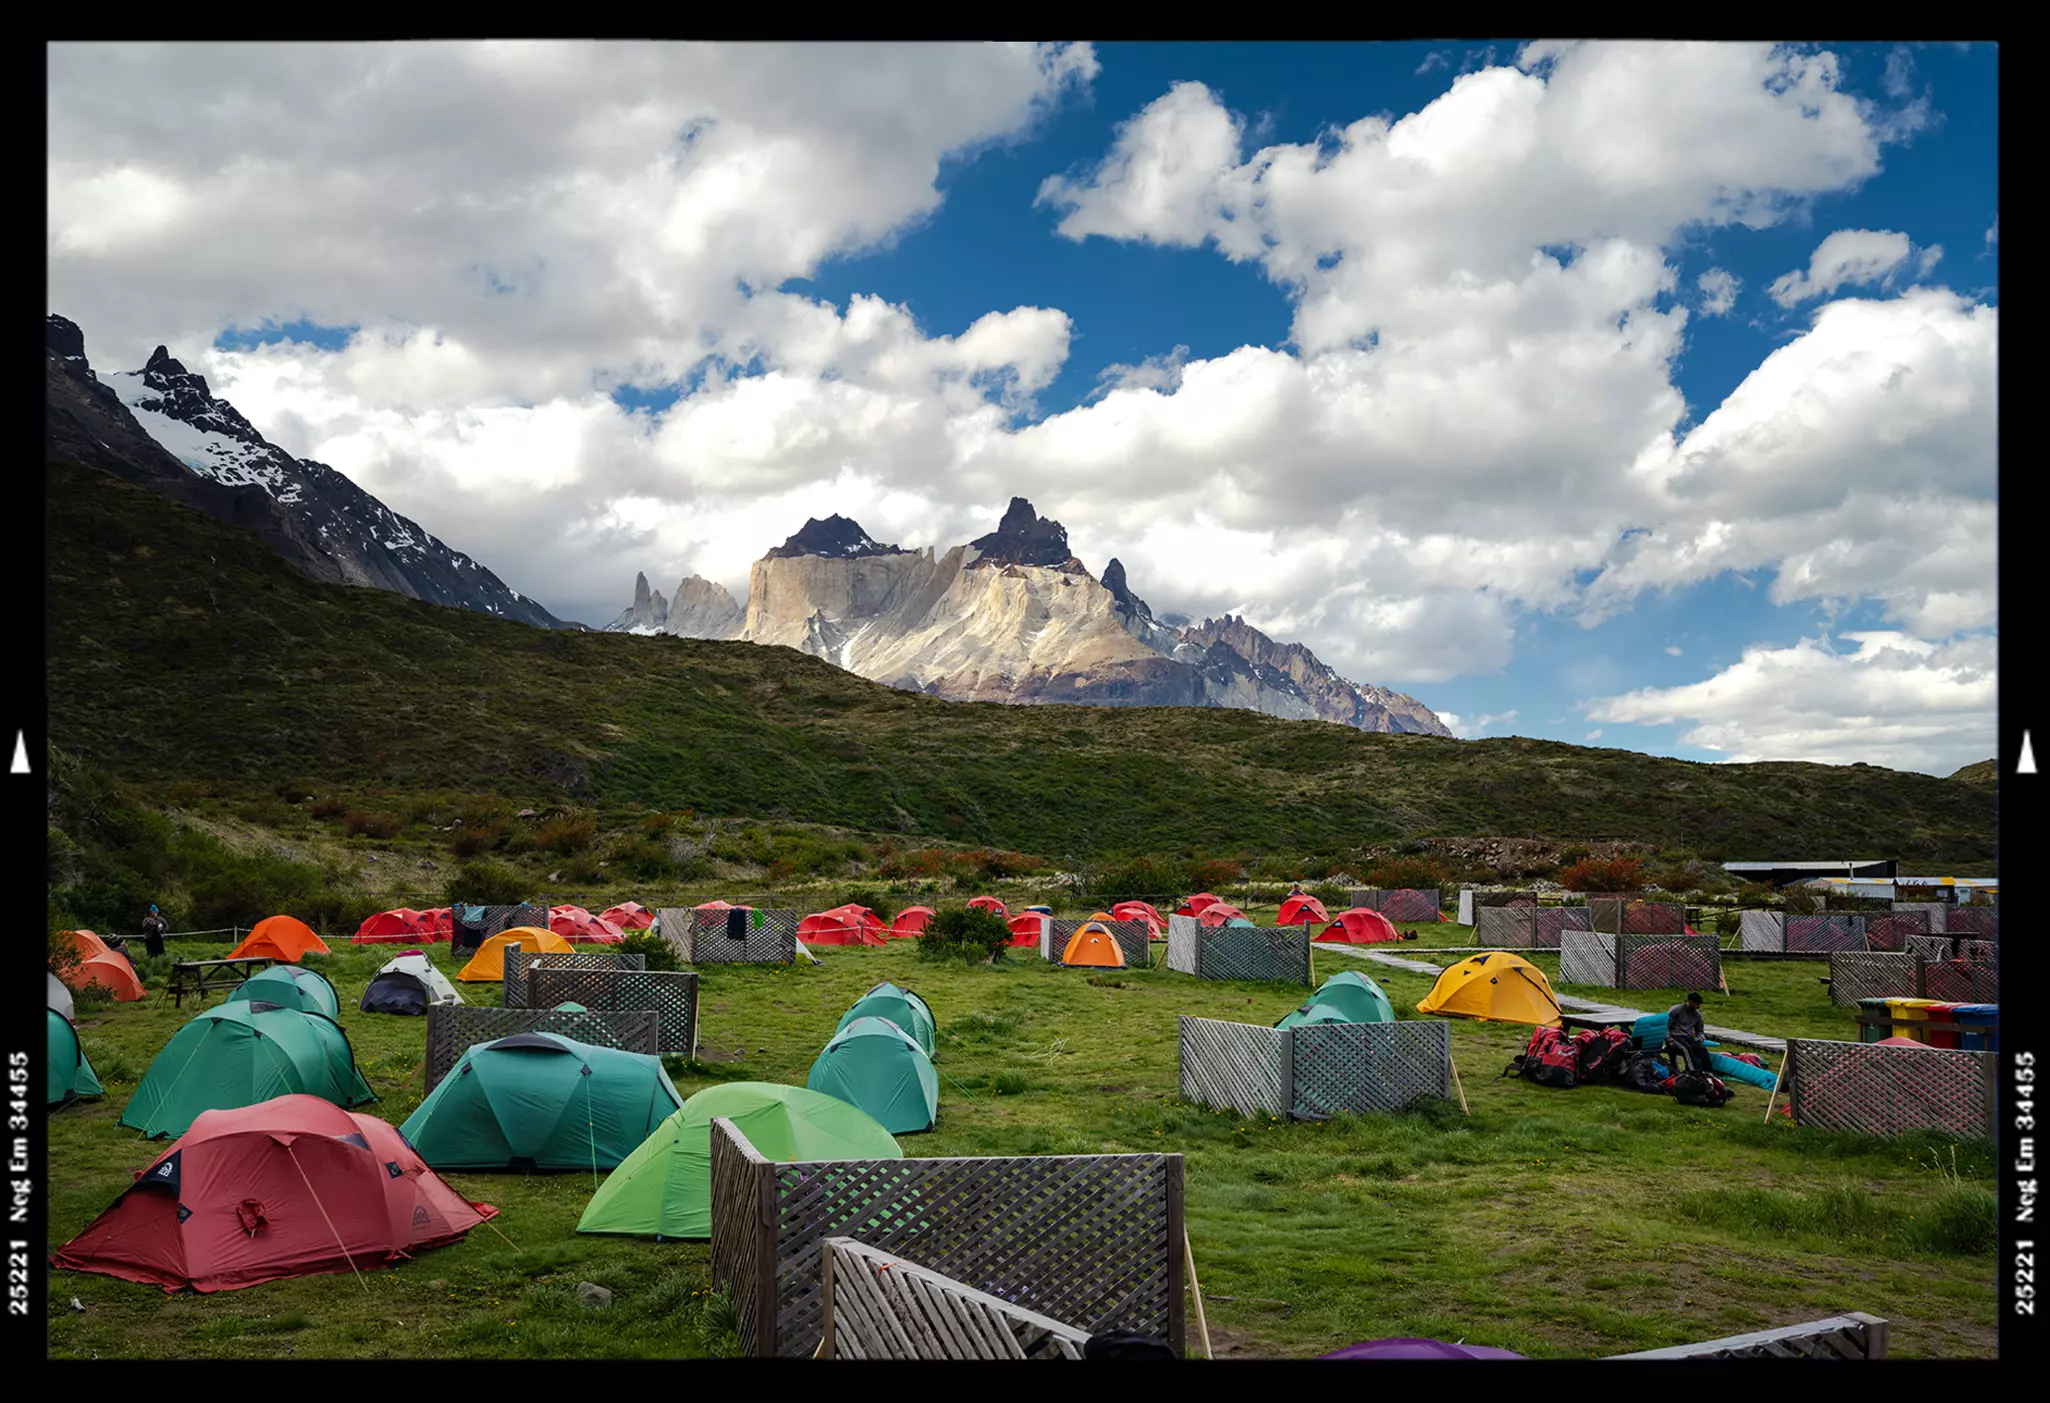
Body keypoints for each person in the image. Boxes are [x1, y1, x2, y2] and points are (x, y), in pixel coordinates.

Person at [1664, 992, 1710, 1074]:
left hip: (1688, 1036)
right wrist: (1669, 1040)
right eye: (1696, 1004)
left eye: (1699, 1004)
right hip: (1675, 1035)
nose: (1697, 1007)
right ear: (1689, 1002)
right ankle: (1692, 1071)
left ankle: (1708, 1072)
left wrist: (1701, 1037)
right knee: (1687, 1049)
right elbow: (1666, 1026)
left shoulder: (1698, 1015)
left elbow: (1700, 1030)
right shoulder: (1676, 1010)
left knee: (1702, 1049)